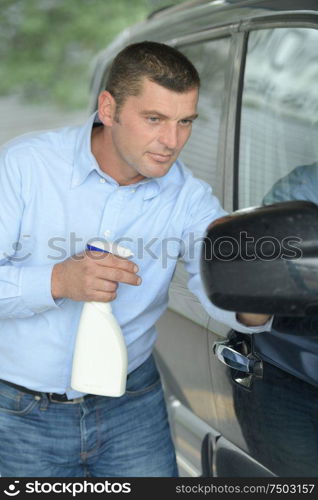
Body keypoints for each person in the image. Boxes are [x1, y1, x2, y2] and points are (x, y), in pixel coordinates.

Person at [0, 41, 270, 477]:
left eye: (185, 122)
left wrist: (266, 291)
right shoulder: (22, 167)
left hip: (132, 405)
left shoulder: (190, 198)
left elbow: (226, 286)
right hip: (18, 412)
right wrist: (57, 282)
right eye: (154, 119)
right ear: (108, 108)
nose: (172, 141)